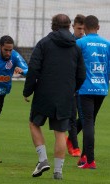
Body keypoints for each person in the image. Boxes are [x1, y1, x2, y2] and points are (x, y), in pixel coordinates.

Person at [23, 14, 86, 180]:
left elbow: (34, 69)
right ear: (69, 26)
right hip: (65, 96)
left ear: (53, 26)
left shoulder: (44, 43)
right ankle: (58, 172)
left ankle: (43, 160)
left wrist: (27, 91)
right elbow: (81, 75)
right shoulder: (76, 48)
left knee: (34, 124)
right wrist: (72, 89)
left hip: (44, 93)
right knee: (60, 133)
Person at [76, 15, 110, 169]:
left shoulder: (80, 43)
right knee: (90, 122)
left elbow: (73, 65)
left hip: (85, 89)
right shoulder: (107, 44)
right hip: (102, 88)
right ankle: (84, 156)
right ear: (98, 27)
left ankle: (90, 160)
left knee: (87, 122)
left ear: (84, 28)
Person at [66, 14, 86, 157]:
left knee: (85, 117)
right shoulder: (69, 42)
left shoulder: (86, 43)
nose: (81, 31)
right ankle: (75, 146)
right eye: (79, 28)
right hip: (71, 85)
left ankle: (70, 139)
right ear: (73, 27)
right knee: (72, 116)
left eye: (84, 29)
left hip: (85, 85)